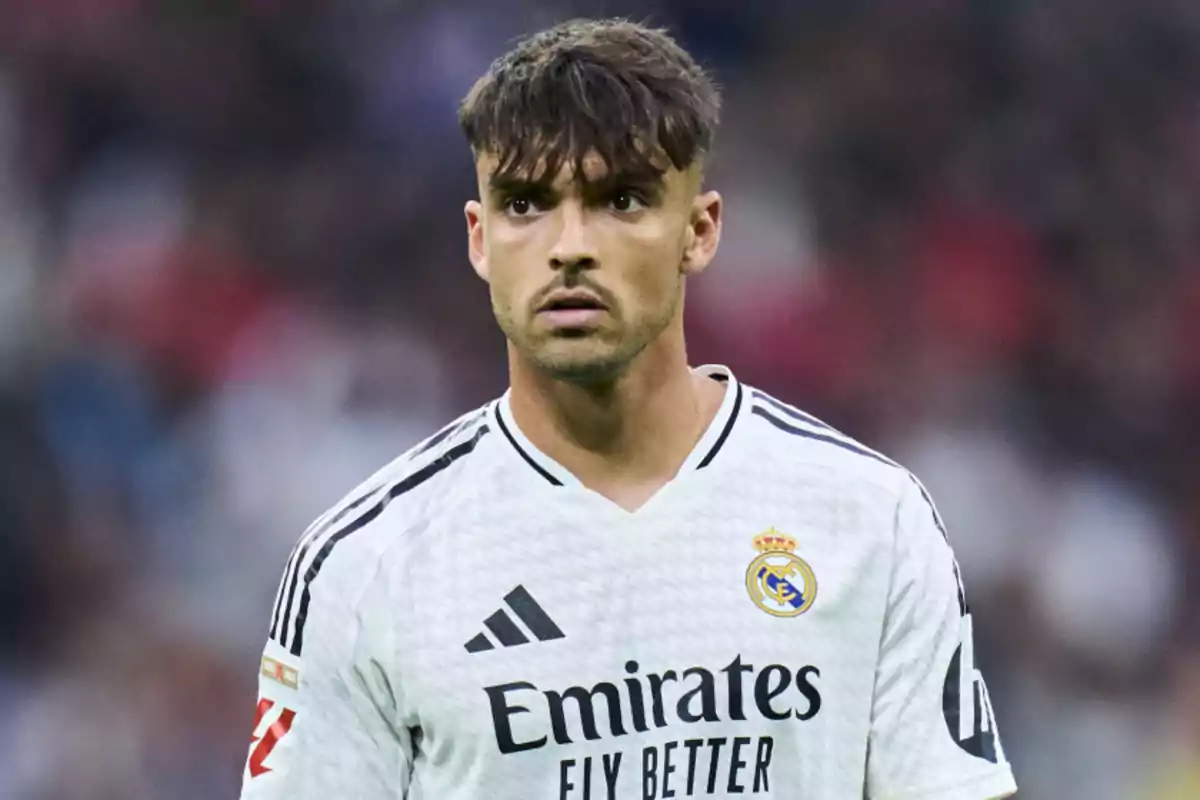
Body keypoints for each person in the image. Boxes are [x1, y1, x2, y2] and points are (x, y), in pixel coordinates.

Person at [239, 17, 1018, 800]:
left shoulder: (866, 520)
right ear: (479, 240)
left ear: (700, 230)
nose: (570, 245)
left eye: (621, 199)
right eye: (525, 203)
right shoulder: (366, 566)